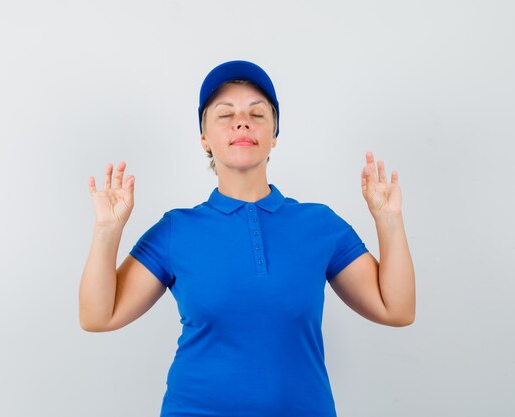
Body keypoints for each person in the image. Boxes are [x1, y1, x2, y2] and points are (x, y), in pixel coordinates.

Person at [79, 60, 416, 417]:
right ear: (204, 138)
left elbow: (396, 310)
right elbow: (98, 317)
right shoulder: (177, 229)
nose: (242, 122)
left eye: (257, 114)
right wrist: (107, 230)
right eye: (225, 115)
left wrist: (389, 221)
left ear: (274, 135)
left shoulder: (319, 224)